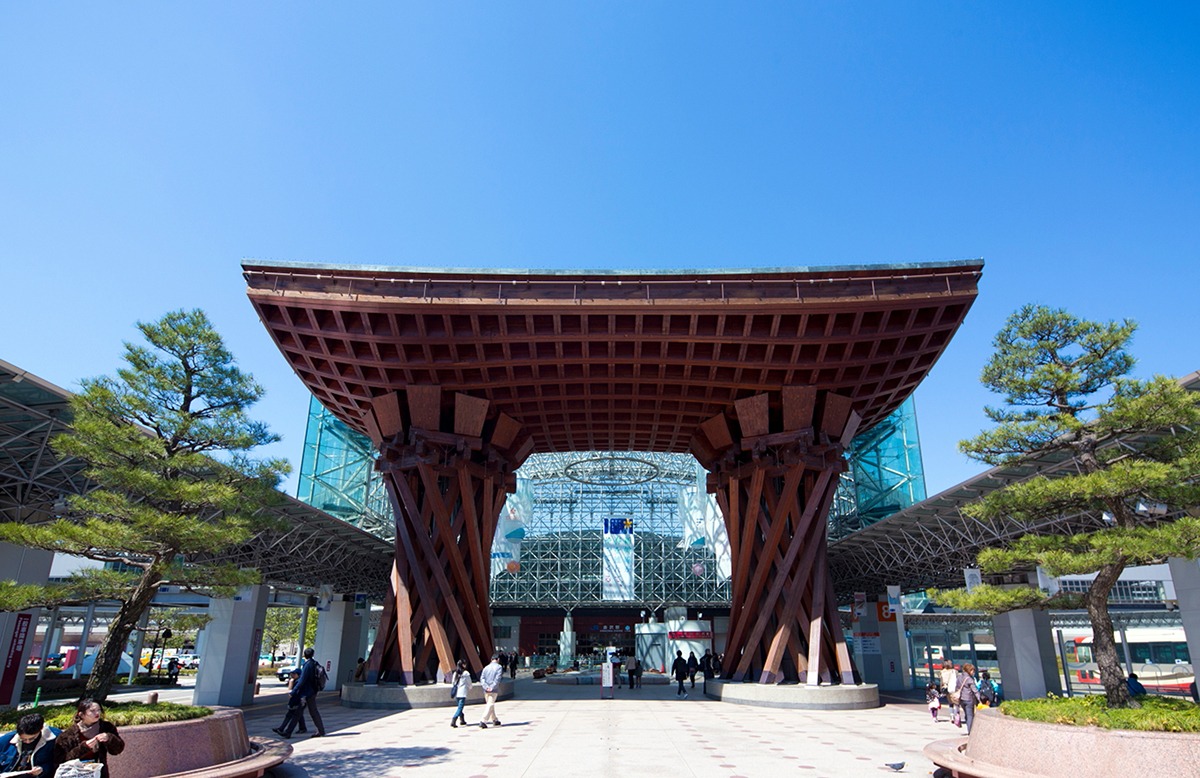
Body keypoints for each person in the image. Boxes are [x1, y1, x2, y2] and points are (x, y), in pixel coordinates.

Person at [53, 698, 125, 778]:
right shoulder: (68, 735)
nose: (97, 713)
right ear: (81, 714)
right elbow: (61, 760)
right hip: (76, 774)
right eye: (92, 711)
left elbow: (118, 750)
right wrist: (84, 748)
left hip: (98, 773)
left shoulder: (106, 727)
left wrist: (109, 738)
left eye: (99, 710)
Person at [279, 647, 325, 738]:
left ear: (304, 654)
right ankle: (320, 730)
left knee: (301, 712)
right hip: (312, 691)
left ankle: (288, 732)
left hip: (306, 693)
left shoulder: (307, 665)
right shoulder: (315, 663)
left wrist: (294, 691)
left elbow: (302, 680)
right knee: (305, 712)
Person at [0, 712, 59, 777]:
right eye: (23, 739)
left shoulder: (55, 739)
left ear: (41, 729)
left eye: (32, 739)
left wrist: (43, 769)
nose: (27, 742)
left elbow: (58, 763)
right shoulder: (5, 740)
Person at [272, 669, 309, 737]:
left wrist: (291, 703)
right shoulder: (297, 681)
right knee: (297, 715)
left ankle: (286, 731)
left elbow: (295, 693)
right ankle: (301, 728)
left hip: (299, 701)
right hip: (300, 701)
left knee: (294, 716)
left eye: (294, 674)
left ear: (298, 674)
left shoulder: (299, 682)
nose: (292, 675)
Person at [479, 652, 505, 728]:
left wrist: (486, 686)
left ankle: (495, 719)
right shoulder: (499, 667)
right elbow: (497, 679)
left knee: (490, 704)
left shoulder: (486, 667)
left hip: (486, 689)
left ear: (491, 659)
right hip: (493, 690)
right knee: (490, 704)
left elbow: (482, 678)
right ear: (498, 659)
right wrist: (492, 687)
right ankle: (483, 720)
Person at [955, 663, 979, 735]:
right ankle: (970, 732)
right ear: (969, 670)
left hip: (961, 699)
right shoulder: (969, 679)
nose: (973, 672)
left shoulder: (959, 677)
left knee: (967, 714)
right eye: (972, 671)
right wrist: (979, 699)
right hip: (969, 699)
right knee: (970, 715)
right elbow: (975, 690)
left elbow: (957, 687)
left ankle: (969, 728)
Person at [450, 659, 471, 728]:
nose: (466, 665)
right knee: (460, 707)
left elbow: (453, 682)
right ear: (462, 665)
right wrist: (470, 687)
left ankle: (462, 720)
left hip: (457, 693)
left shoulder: (455, 673)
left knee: (460, 706)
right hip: (462, 692)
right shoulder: (466, 673)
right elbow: (469, 683)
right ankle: (454, 719)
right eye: (464, 664)